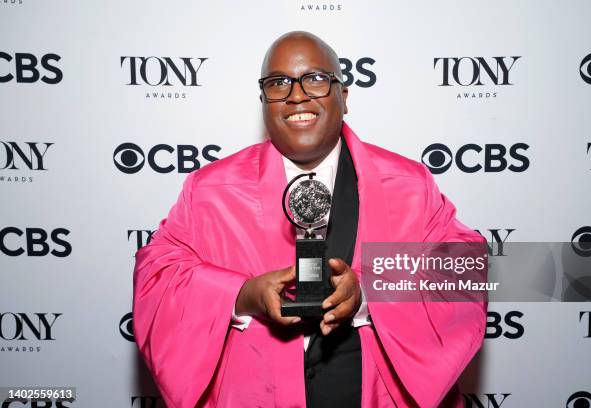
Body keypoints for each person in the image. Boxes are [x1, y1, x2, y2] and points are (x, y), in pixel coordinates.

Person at [133, 31, 486, 408]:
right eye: (278, 82)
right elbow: (157, 275)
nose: (297, 95)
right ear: (263, 102)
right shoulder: (210, 189)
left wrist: (368, 294)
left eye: (316, 78)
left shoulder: (409, 185)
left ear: (344, 97)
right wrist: (240, 295)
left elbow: (465, 269)